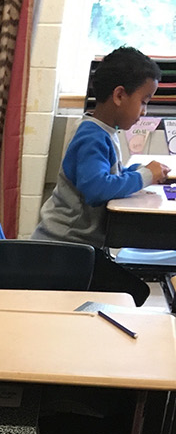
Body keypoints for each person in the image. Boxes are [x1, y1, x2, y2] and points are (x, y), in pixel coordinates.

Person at [32, 45, 168, 301]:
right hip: (62, 250)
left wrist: (139, 172)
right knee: (134, 292)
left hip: (76, 248)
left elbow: (109, 175)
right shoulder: (92, 136)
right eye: (144, 101)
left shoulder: (103, 130)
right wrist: (144, 176)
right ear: (119, 95)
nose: (145, 111)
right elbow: (97, 188)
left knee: (132, 290)